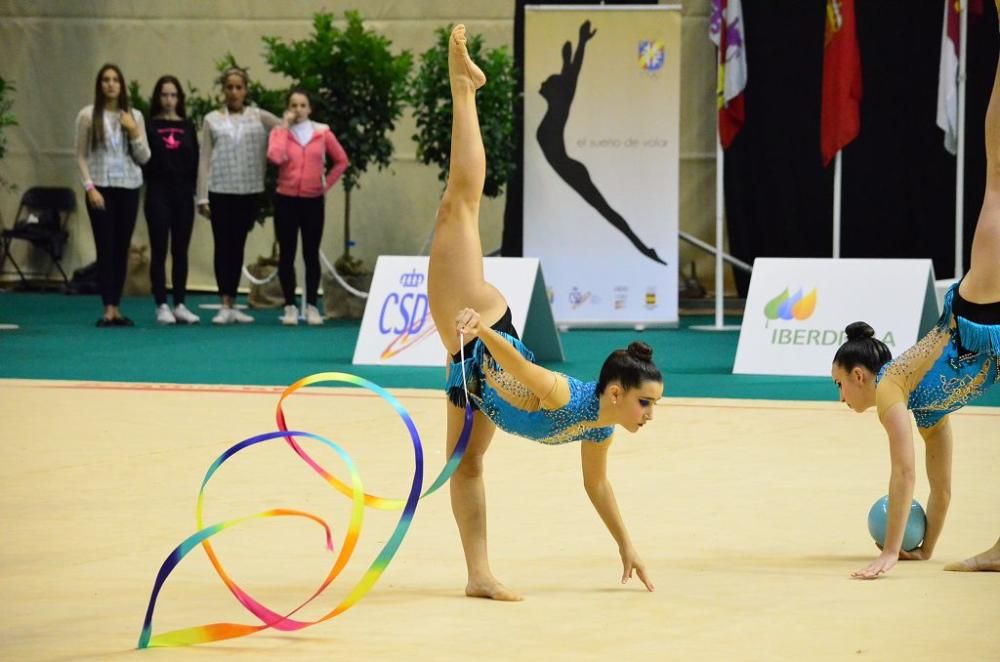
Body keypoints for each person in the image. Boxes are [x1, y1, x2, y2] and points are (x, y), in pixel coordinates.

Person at [429, 25, 663, 601]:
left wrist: (626, 543)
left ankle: (477, 574)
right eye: (645, 402)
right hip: (478, 332)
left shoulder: (602, 422)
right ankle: (463, 86)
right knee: (458, 203)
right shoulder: (565, 395)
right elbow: (525, 369)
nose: (649, 414)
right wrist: (480, 326)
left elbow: (597, 485)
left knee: (467, 463)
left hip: (475, 379)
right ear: (615, 392)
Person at [831, 48, 1000, 580]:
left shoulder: (892, 390)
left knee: (997, 179)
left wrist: (888, 555)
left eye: (839, 384)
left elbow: (904, 473)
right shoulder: (929, 413)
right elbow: (941, 488)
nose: (841, 396)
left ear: (860, 374)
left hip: (980, 311)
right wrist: (926, 549)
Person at [536, 20, 666, 266]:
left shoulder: (559, 106)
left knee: (605, 211)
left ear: (554, 90)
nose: (540, 85)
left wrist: (582, 43)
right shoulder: (556, 105)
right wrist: (568, 55)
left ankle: (642, 247)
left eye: (546, 83)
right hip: (568, 169)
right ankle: (640, 247)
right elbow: (567, 76)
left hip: (571, 170)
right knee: (602, 211)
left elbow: (571, 78)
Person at [196, 66, 281, 324]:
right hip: (220, 189)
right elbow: (204, 158)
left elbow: (284, 126)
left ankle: (234, 303)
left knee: (238, 245)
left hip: (248, 190)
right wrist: (202, 196)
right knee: (223, 246)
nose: (234, 92)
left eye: (239, 87)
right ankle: (225, 302)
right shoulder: (212, 119)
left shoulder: (258, 117)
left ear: (246, 90)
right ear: (223, 90)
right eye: (229, 87)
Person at [75, 63, 151, 327]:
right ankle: (107, 307)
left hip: (128, 186)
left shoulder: (134, 116)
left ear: (121, 85)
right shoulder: (87, 115)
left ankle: (117, 306)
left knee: (121, 247)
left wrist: (134, 131)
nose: (111, 84)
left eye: (115, 80)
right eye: (106, 80)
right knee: (105, 246)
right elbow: (81, 155)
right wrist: (90, 187)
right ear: (100, 85)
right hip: (101, 187)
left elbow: (144, 157)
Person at [267, 88, 349, 326]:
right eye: (293, 105)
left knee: (311, 253)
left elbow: (341, 161)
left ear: (310, 109)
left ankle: (312, 305)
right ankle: (290, 306)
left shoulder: (322, 133)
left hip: (313, 201)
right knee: (287, 253)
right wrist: (283, 126)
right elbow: (276, 157)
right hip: (286, 199)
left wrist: (325, 185)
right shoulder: (279, 132)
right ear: (288, 108)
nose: (298, 110)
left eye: (302, 105)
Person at [144, 75, 200, 324]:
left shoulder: (188, 127)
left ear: (179, 98)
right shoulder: (149, 126)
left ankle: (179, 303)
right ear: (158, 98)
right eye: (165, 95)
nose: (169, 100)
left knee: (181, 250)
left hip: (183, 195)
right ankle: (160, 304)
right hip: (158, 192)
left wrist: (199, 196)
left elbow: (196, 162)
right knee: (159, 249)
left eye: (173, 95)